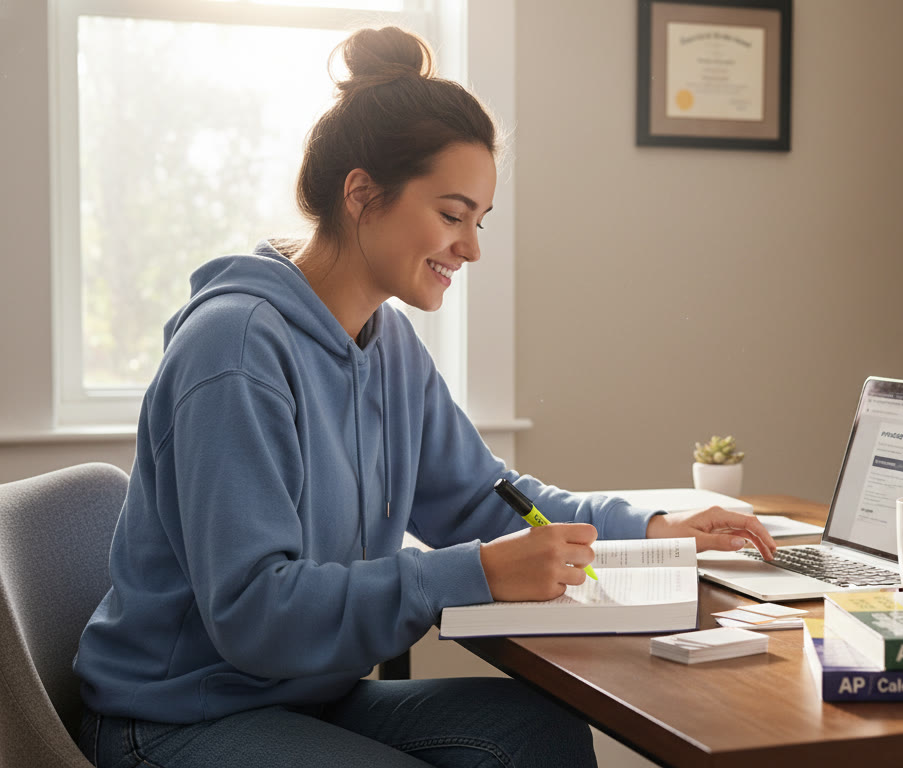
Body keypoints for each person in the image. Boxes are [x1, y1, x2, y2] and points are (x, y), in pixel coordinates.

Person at [72, 26, 776, 768]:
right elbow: (255, 614)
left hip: (303, 698)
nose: (471, 247)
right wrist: (476, 573)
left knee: (541, 730)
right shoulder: (236, 350)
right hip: (177, 717)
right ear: (362, 195)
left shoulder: (388, 343)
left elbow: (486, 501)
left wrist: (658, 527)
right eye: (452, 214)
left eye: (479, 221)